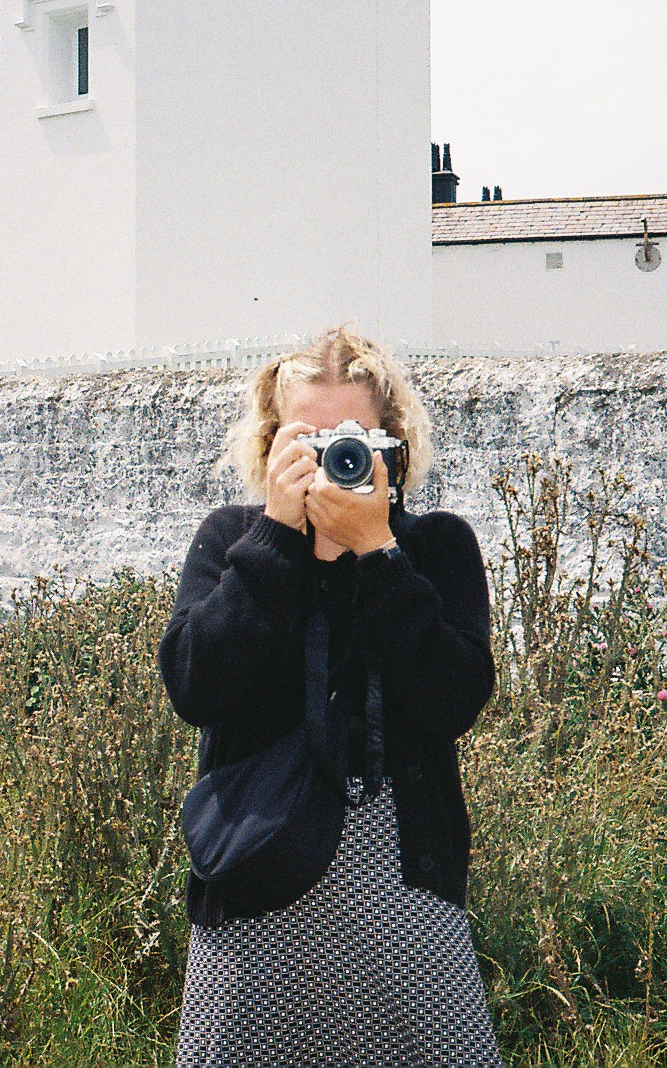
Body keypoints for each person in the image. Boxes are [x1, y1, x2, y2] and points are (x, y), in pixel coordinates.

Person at [160, 323, 503, 1067]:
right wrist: (276, 542)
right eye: (307, 441)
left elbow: (453, 701)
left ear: (392, 448)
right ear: (270, 444)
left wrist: (379, 553)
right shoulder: (232, 541)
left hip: (405, 894)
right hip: (257, 883)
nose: (329, 460)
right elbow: (195, 686)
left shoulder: (436, 547)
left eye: (350, 439)